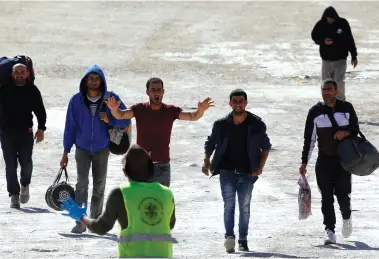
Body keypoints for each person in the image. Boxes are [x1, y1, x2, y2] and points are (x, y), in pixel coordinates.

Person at [61, 144, 176, 258]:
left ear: (125, 171)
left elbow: (101, 227)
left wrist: (81, 217)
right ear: (151, 169)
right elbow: (170, 224)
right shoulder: (167, 193)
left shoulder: (120, 194)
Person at [106, 77, 214, 187]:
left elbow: (193, 116)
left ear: (163, 91)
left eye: (159, 90)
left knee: (160, 203)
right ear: (147, 92)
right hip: (140, 166)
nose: (156, 92)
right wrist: (114, 109)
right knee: (140, 202)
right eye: (153, 90)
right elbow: (122, 115)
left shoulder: (170, 110)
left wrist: (201, 110)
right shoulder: (139, 109)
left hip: (163, 167)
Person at [60, 64, 131, 233]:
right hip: (82, 148)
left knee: (99, 186)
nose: (93, 82)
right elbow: (70, 127)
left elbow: (126, 119)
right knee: (81, 184)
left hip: (102, 148)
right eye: (90, 78)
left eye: (97, 78)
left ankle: (95, 220)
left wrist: (111, 120)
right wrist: (65, 152)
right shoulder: (76, 100)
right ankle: (80, 221)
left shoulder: (111, 99)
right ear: (85, 81)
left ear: (102, 80)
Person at [202, 89, 271, 253]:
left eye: (241, 101)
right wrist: (206, 161)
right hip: (226, 172)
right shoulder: (221, 124)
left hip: (248, 173)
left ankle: (243, 239)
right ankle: (229, 237)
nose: (238, 104)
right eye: (235, 101)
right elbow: (210, 143)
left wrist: (260, 167)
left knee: (244, 207)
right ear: (230, 103)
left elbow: (266, 147)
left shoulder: (256, 124)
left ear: (246, 103)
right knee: (229, 205)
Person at [299, 79, 359, 245]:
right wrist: (304, 162)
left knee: (342, 195)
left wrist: (345, 132)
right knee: (326, 197)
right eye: (323, 90)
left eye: (329, 90)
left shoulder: (347, 108)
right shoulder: (315, 111)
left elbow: (356, 129)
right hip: (324, 160)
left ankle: (347, 218)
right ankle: (330, 230)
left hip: (344, 161)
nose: (326, 93)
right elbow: (309, 139)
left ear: (336, 90)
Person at [0, 63, 47, 208]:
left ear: (27, 74)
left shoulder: (32, 90)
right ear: (12, 74)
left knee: (26, 163)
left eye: (22, 72)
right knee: (10, 165)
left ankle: (25, 184)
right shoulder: (4, 88)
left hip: (26, 133)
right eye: (16, 71)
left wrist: (41, 129)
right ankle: (14, 194)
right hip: (7, 133)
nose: (19, 74)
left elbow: (40, 111)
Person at [311, 6, 358, 101]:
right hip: (326, 60)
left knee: (338, 82)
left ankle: (340, 101)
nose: (330, 20)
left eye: (331, 18)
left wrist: (354, 55)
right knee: (326, 83)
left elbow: (349, 39)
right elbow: (314, 36)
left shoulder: (343, 24)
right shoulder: (321, 24)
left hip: (340, 59)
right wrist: (323, 41)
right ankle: (327, 101)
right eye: (328, 19)